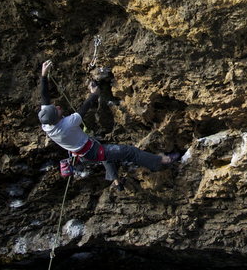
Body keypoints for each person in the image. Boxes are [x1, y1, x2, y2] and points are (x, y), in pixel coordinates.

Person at [38, 59, 178, 190]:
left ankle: (116, 182)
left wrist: (43, 75)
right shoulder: (67, 125)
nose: (57, 107)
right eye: (56, 110)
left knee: (107, 155)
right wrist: (94, 93)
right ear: (56, 118)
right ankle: (161, 161)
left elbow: (44, 97)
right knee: (128, 152)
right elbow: (85, 107)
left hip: (83, 152)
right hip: (91, 152)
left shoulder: (47, 124)